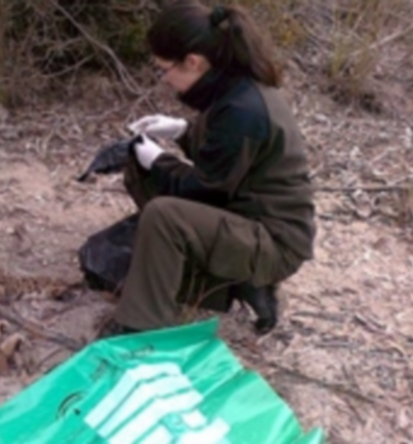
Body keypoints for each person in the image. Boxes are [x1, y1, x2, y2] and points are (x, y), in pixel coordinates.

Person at [98, 1, 316, 337]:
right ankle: (236, 284)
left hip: (275, 241)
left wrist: (158, 159)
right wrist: (181, 131)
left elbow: (206, 189)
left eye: (164, 69)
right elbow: (224, 157)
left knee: (164, 216)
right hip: (248, 217)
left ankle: (138, 330)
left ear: (193, 61)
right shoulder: (234, 88)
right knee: (144, 175)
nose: (164, 80)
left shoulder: (243, 108)